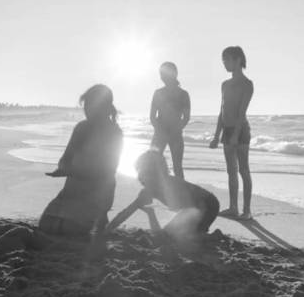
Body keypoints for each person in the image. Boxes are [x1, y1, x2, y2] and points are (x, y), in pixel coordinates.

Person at [38, 84, 123, 239]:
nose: (87, 110)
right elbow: (65, 158)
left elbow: (109, 170)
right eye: (86, 106)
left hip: (98, 193)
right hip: (72, 191)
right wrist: (63, 168)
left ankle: (99, 217)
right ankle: (93, 221)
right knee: (46, 226)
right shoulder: (81, 128)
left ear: (104, 107)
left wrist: (73, 171)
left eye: (91, 106)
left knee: (71, 232)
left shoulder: (114, 133)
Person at [104, 150, 219, 237]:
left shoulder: (171, 184)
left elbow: (197, 205)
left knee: (180, 236)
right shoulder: (149, 190)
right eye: (139, 172)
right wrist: (109, 228)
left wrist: (195, 225)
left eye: (143, 172)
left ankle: (207, 236)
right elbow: (128, 211)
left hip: (209, 205)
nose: (140, 178)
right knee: (167, 233)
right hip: (192, 208)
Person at [209, 46, 254, 221]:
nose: (224, 63)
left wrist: (236, 134)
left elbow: (242, 112)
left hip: (241, 130)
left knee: (243, 170)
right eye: (223, 60)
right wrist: (216, 135)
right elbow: (222, 110)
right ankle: (233, 208)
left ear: (238, 60)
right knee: (231, 171)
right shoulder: (225, 84)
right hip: (227, 131)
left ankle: (247, 210)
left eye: (227, 60)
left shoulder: (247, 84)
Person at [149, 62, 191, 179]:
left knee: (177, 167)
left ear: (174, 74)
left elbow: (186, 117)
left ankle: (180, 190)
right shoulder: (158, 93)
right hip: (160, 133)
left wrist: (176, 129)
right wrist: (159, 130)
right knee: (152, 165)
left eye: (164, 74)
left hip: (175, 134)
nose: (162, 77)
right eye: (161, 74)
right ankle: (152, 189)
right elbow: (152, 116)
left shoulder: (183, 94)